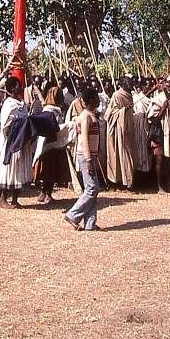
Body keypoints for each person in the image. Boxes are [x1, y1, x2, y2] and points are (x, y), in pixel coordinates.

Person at [64, 86, 102, 232]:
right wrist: (88, 160)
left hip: (90, 155)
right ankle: (73, 215)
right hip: (85, 155)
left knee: (92, 188)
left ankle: (90, 223)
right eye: (97, 98)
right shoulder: (85, 116)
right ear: (92, 100)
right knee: (92, 188)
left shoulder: (90, 114)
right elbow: (84, 139)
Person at [0, 76, 33, 208]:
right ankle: (3, 199)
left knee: (19, 169)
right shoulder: (8, 104)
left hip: (22, 142)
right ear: (12, 88)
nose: (21, 88)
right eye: (18, 86)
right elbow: (6, 126)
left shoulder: (22, 104)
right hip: (12, 142)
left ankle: (15, 199)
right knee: (9, 169)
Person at [31, 85, 70, 203]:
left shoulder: (55, 110)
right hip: (49, 143)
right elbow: (52, 127)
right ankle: (46, 193)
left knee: (51, 169)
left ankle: (46, 192)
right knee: (49, 169)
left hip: (53, 143)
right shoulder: (50, 111)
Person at [147, 78, 170, 192]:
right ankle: (159, 186)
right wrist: (163, 109)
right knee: (159, 158)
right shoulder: (158, 100)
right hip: (158, 132)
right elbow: (152, 119)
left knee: (168, 159)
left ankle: (168, 184)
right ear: (164, 88)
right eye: (169, 88)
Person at [104, 76, 134, 190]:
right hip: (117, 130)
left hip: (127, 129)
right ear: (122, 84)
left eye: (130, 83)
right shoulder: (117, 95)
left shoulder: (129, 96)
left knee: (127, 154)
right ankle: (116, 181)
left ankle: (128, 180)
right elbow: (110, 114)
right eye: (127, 83)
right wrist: (123, 110)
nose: (130, 85)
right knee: (117, 154)